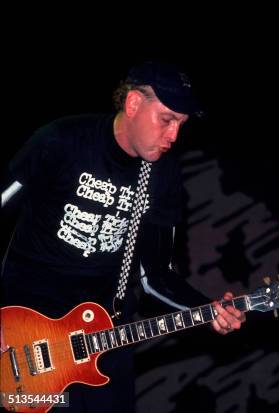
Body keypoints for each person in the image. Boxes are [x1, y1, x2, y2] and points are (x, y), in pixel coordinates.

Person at [1, 61, 245, 412]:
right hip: (27, 337)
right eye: (167, 119)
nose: (174, 136)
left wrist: (208, 310)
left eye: (181, 124)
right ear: (133, 104)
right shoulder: (61, 141)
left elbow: (156, 276)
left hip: (104, 337)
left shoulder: (162, 175)